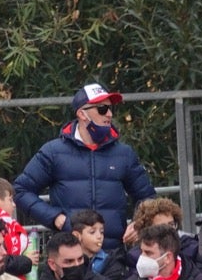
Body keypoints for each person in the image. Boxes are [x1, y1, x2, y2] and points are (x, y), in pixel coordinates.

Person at [12, 83, 156, 244]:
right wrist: (55, 218)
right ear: (82, 114)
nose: (109, 114)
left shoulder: (124, 153)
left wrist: (139, 224)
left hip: (112, 253)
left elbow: (147, 197)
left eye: (111, 109)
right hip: (69, 251)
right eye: (102, 109)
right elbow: (20, 190)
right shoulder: (53, 152)